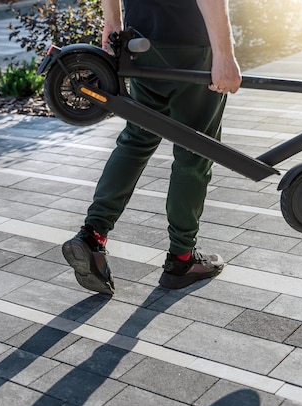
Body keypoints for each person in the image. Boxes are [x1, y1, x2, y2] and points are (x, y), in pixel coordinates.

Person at [62, 0, 242, 294]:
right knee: (194, 150)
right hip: (190, 43)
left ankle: (93, 235)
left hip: (142, 42)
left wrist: (113, 25)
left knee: (137, 138)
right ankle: (182, 258)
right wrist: (224, 54)